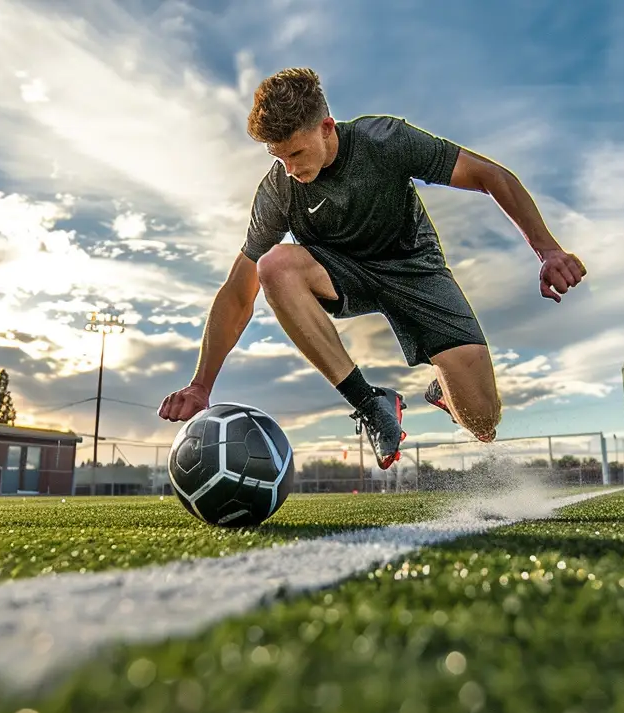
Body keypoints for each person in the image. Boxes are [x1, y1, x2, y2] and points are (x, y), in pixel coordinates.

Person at [158, 67, 586, 470]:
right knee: (275, 265)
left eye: (296, 152)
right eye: (278, 156)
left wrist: (547, 251)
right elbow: (238, 290)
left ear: (326, 127)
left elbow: (490, 175)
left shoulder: (385, 140)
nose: (290, 168)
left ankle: (444, 390)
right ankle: (371, 403)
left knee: (483, 424)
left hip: (415, 270)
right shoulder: (279, 189)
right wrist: (201, 384)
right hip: (343, 275)